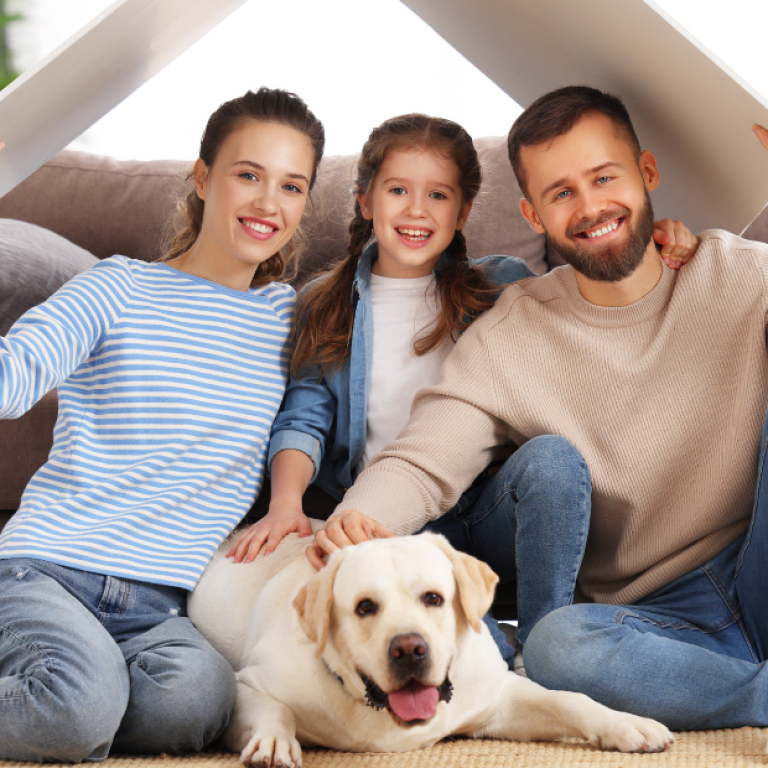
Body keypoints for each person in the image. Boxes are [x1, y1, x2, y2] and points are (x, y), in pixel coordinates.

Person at [307, 84, 768, 730]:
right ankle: (755, 695)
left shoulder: (744, 275)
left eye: (604, 177)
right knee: (554, 648)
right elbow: (423, 457)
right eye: (561, 193)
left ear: (647, 172)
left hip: (756, 566)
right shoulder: (513, 331)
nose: (590, 207)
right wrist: (355, 520)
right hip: (641, 621)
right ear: (532, 214)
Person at [227, 112, 696, 668]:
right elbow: (303, 419)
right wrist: (285, 504)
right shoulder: (322, 303)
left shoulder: (502, 285)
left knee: (552, 459)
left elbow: (592, 277)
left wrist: (659, 237)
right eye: (398, 190)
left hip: (490, 507)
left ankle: (550, 635)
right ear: (365, 201)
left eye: (439, 195)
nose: (417, 210)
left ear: (464, 210)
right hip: (395, 523)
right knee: (474, 659)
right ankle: (499, 649)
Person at [0, 87, 325, 762]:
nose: (268, 203)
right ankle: (71, 699)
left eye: (291, 185)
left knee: (198, 707)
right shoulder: (117, 287)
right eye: (248, 175)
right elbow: (19, 370)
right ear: (203, 177)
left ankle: (77, 693)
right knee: (72, 711)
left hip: (162, 606)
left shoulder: (289, 319)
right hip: (48, 569)